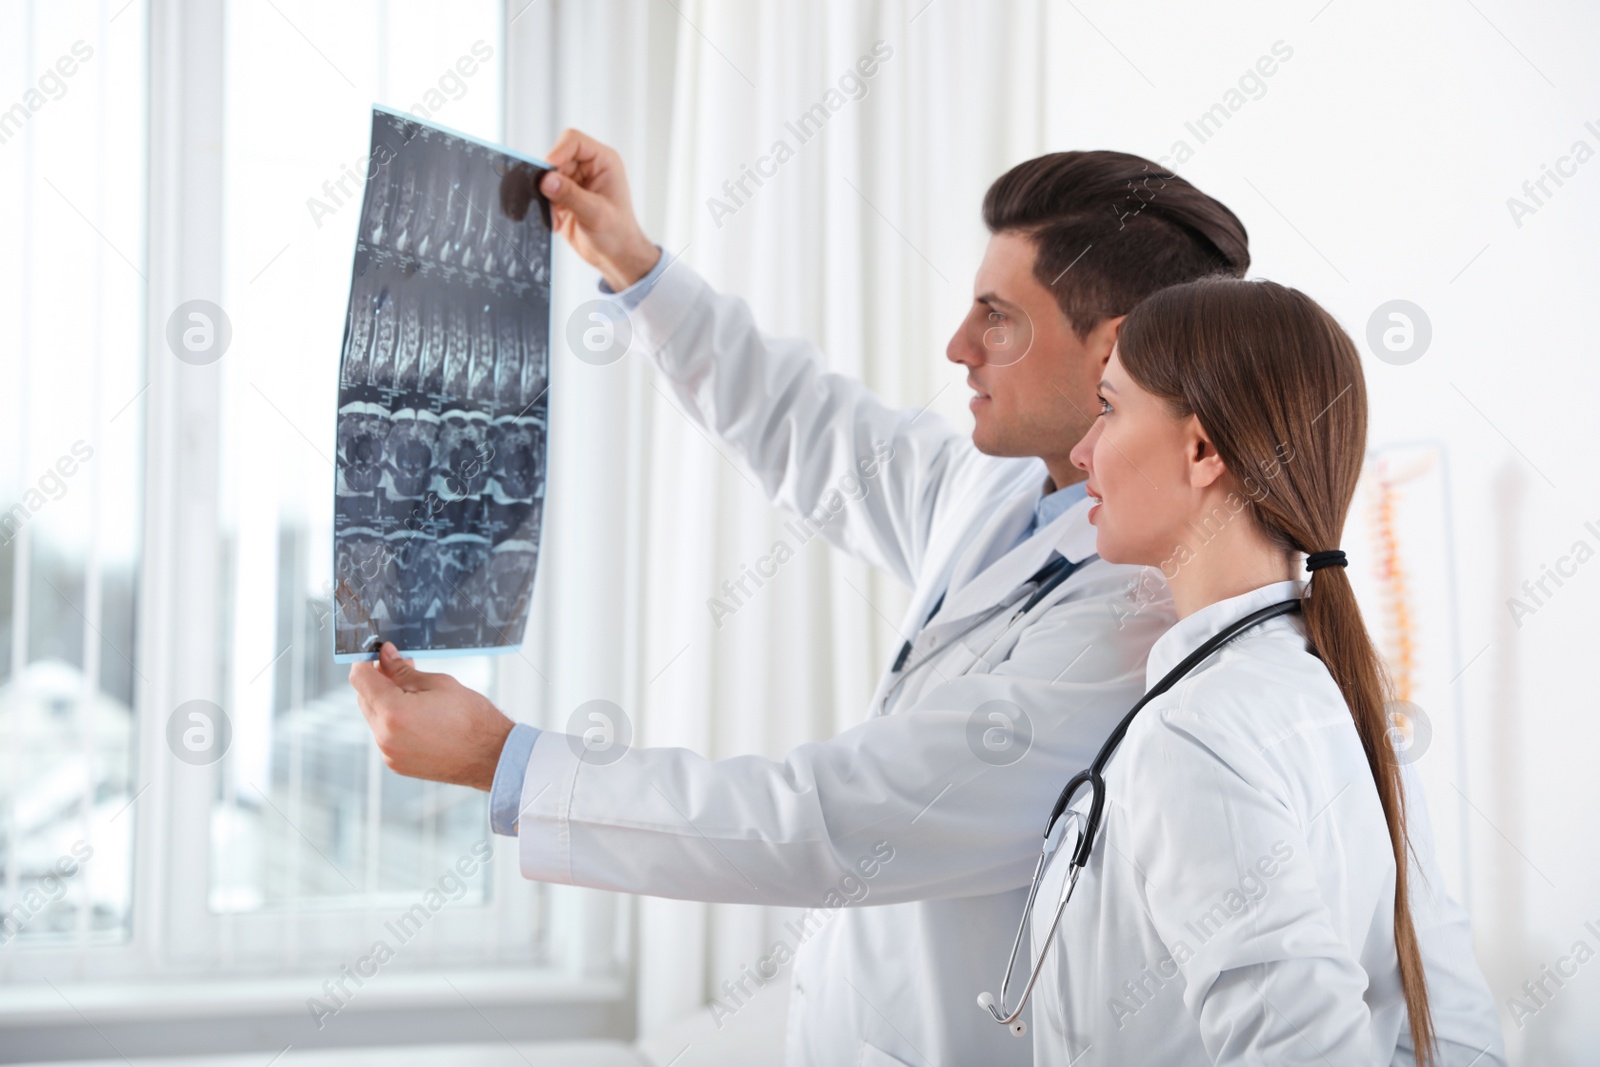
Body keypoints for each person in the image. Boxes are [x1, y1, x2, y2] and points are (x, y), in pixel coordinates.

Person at [350, 130, 1503, 1065]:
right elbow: (808, 423)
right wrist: (636, 266)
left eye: (997, 315)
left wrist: (511, 762)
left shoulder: (1147, 658)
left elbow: (831, 821)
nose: (958, 345)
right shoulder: (1019, 494)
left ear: (1122, 349)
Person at [1019, 276, 1497, 1065]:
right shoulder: (1332, 692)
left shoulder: (1196, 729)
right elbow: (1452, 1028)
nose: (1080, 452)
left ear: (1202, 449)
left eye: (1107, 407)